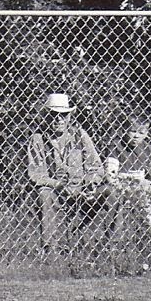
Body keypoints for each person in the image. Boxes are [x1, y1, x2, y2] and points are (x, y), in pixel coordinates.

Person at [26, 93, 117, 254]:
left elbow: (96, 167)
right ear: (46, 116)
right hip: (57, 192)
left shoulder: (80, 135)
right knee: (44, 194)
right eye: (53, 115)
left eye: (63, 116)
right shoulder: (38, 139)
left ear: (69, 116)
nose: (59, 120)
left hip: (83, 190)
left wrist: (91, 182)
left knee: (111, 193)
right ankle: (51, 249)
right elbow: (36, 175)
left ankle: (111, 244)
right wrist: (59, 185)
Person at [105, 116, 151, 240]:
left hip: (143, 183)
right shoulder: (116, 146)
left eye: (141, 132)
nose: (136, 136)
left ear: (146, 134)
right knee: (140, 193)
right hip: (124, 183)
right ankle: (150, 233)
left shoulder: (146, 148)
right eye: (133, 131)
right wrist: (129, 183)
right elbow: (111, 175)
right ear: (124, 130)